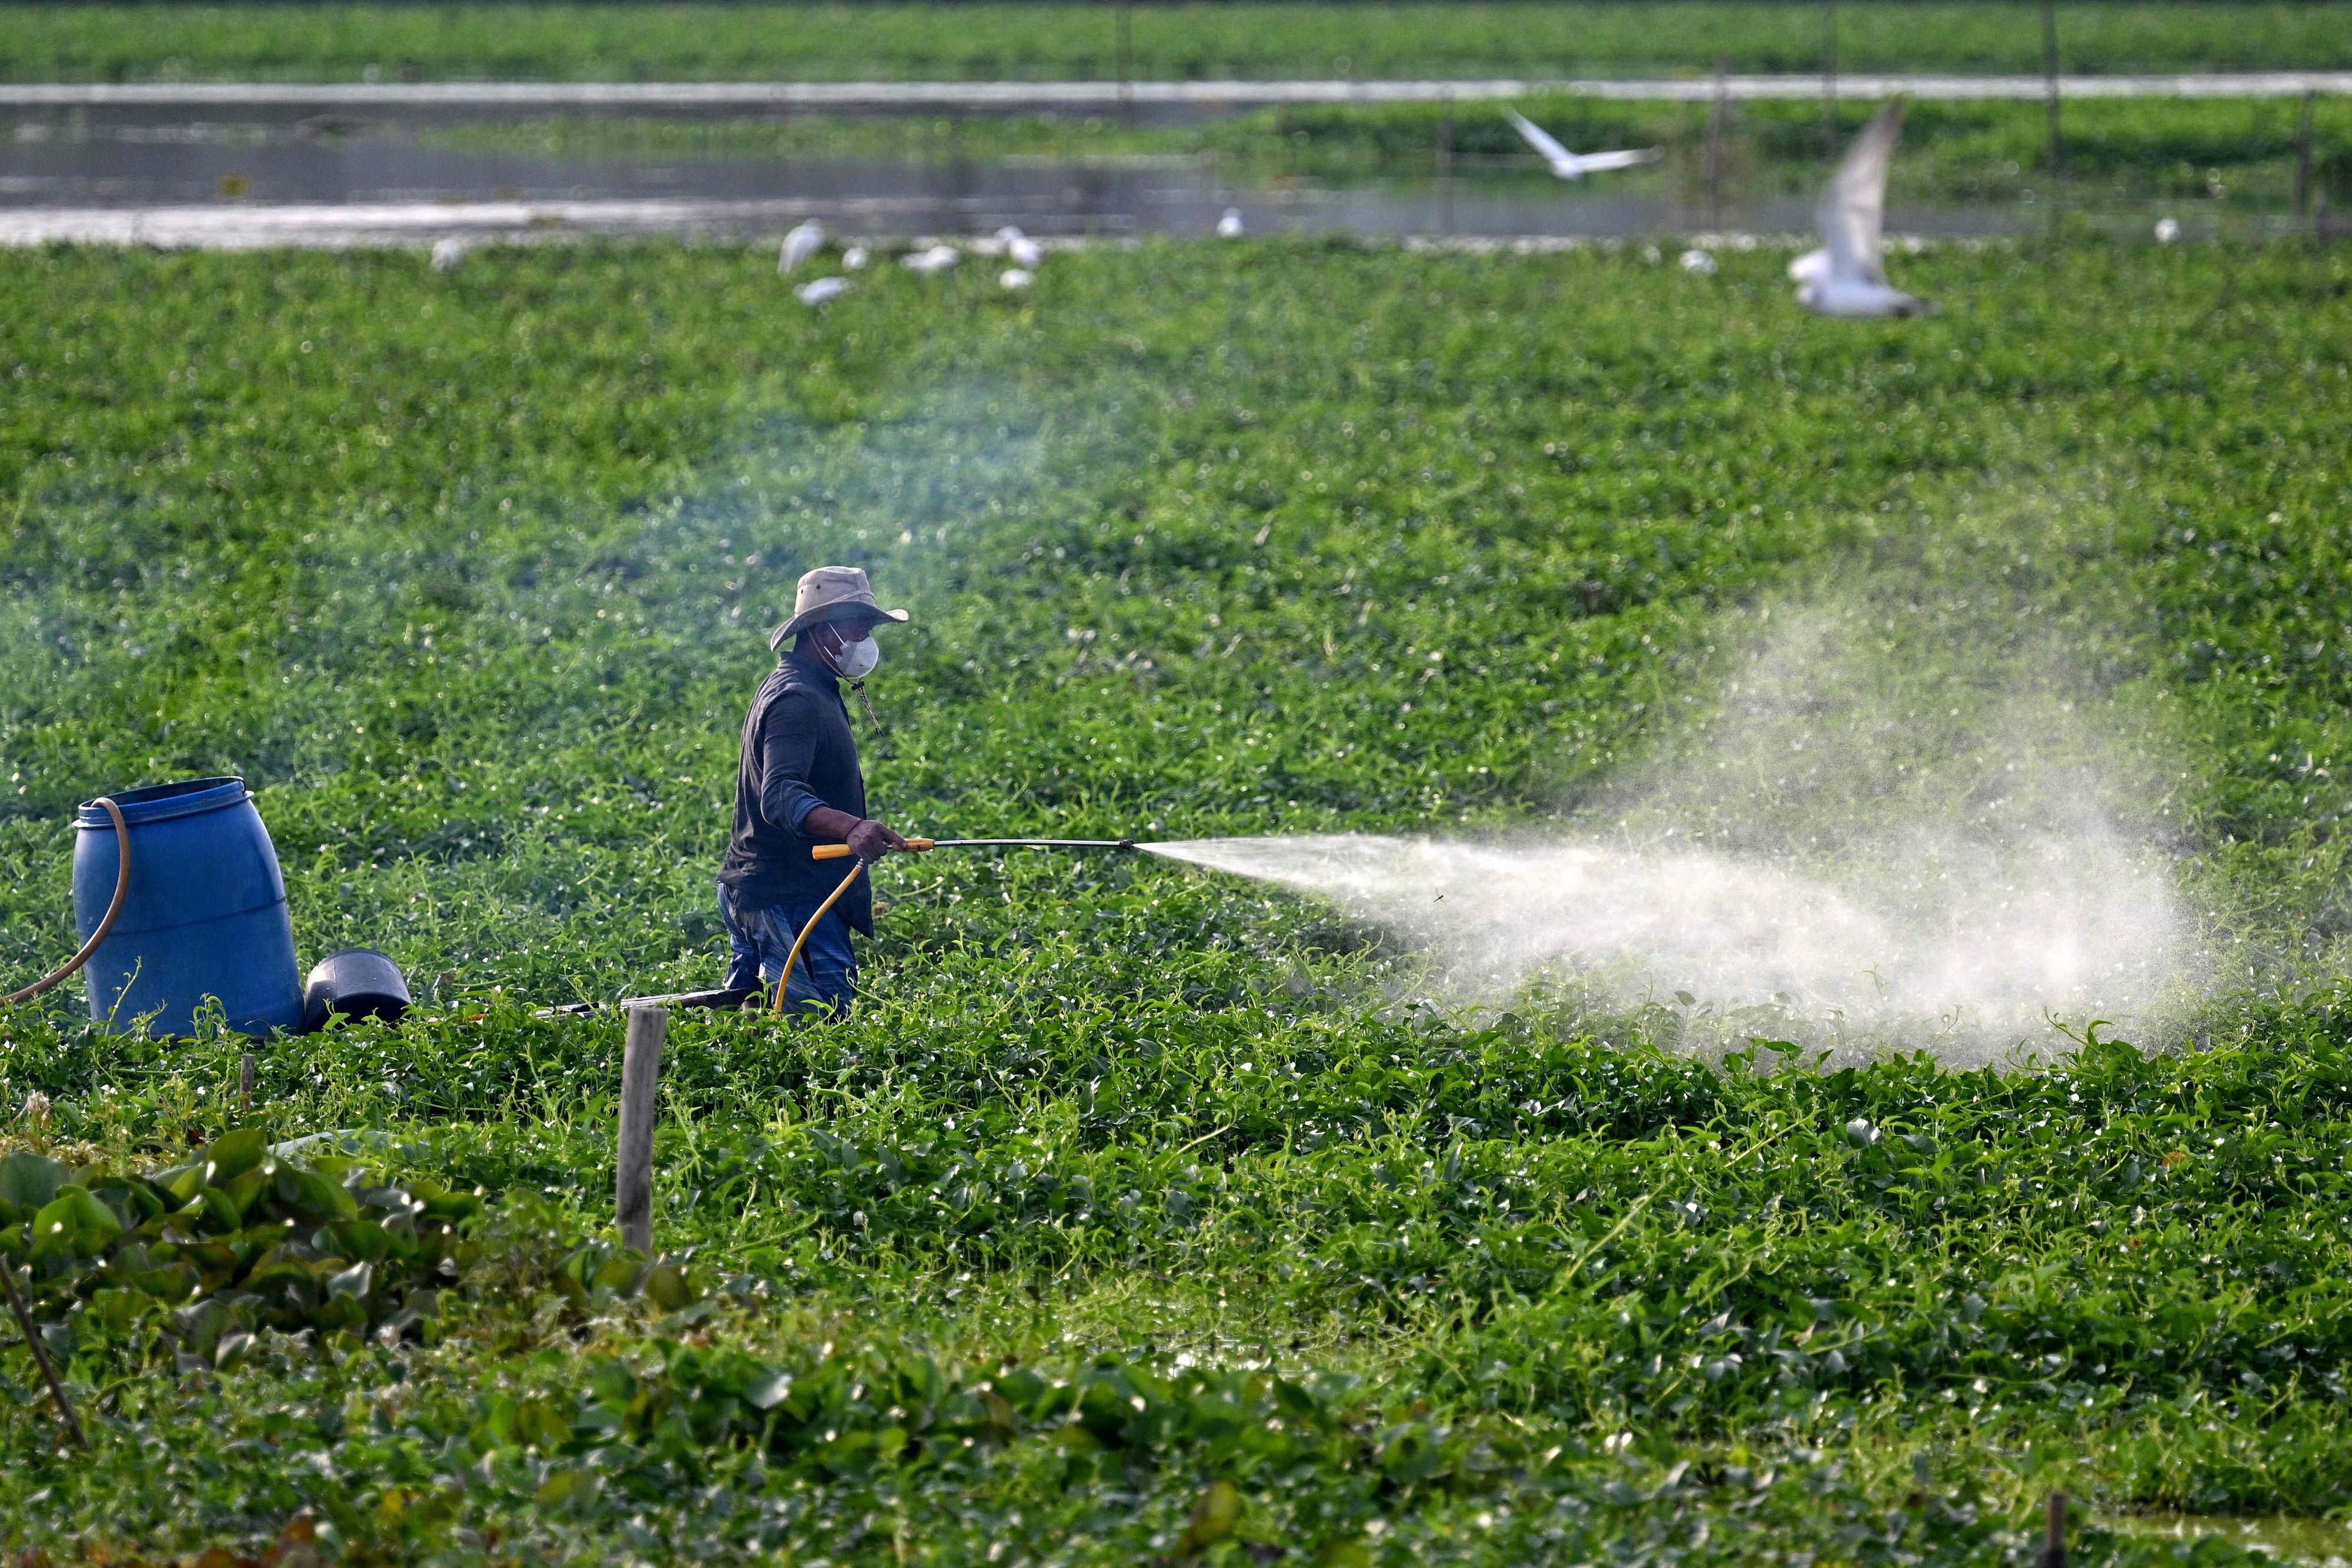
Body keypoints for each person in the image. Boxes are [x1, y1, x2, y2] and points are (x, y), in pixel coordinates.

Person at [718, 566, 910, 1014]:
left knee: (758, 1017)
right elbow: (780, 793)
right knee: (820, 1026)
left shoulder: (811, 685)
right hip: (786, 896)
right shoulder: (797, 699)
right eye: (856, 624)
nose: (865, 637)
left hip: (775, 889)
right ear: (822, 630)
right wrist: (851, 826)